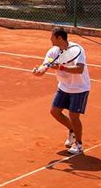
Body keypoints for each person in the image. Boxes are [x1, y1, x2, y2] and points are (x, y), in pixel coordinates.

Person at [32, 26, 90, 155]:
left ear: (59, 38)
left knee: (74, 116)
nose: (50, 39)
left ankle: (79, 144)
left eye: (52, 37)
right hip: (64, 87)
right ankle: (72, 131)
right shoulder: (53, 52)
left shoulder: (77, 50)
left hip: (79, 88)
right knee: (55, 112)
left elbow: (80, 69)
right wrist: (38, 72)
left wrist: (61, 68)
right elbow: (45, 66)